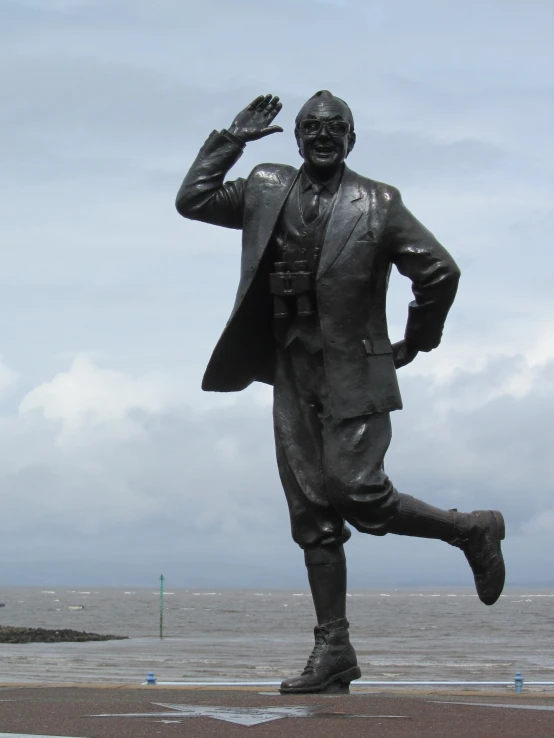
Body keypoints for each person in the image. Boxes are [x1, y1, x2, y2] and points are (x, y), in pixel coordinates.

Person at [175, 92, 505, 694]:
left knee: (357, 492)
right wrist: (232, 139)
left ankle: (470, 528)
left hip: (355, 369)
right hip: (291, 367)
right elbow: (192, 200)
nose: (323, 135)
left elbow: (439, 270)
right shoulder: (264, 187)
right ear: (297, 137)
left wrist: (416, 341)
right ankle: (335, 650)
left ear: (353, 138)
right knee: (312, 514)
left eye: (336, 127)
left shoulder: (379, 203)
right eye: (312, 127)